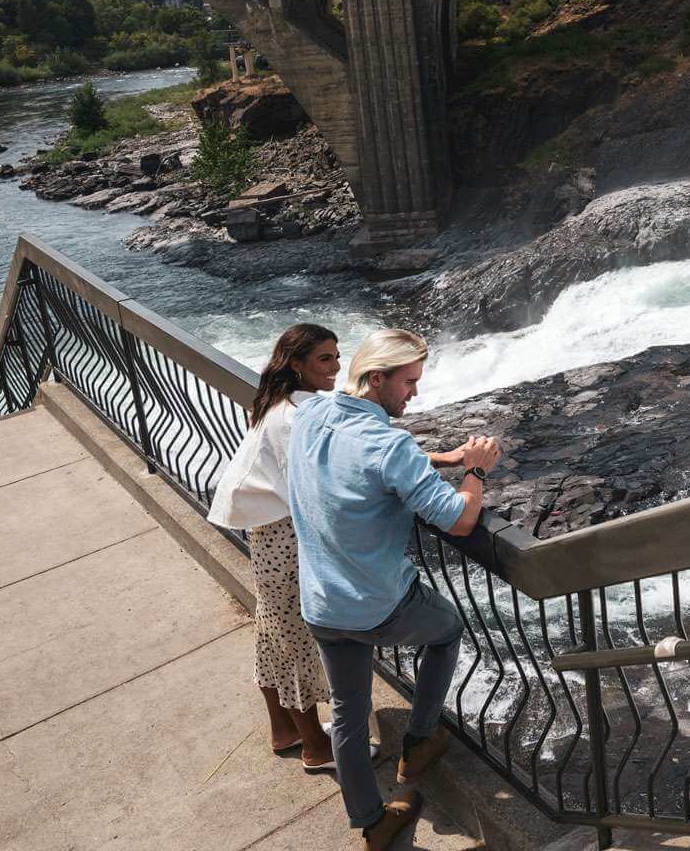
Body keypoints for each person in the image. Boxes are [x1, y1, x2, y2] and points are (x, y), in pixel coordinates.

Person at [286, 329, 502, 850]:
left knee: (347, 713)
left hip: (320, 601)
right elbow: (458, 520)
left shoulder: (311, 414)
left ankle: (371, 822)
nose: (415, 394)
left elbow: (364, 459)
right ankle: (421, 739)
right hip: (376, 606)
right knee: (447, 630)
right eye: (409, 383)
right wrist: (474, 468)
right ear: (378, 379)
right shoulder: (390, 443)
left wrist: (437, 459)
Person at [207, 323, 341, 771]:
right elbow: (311, 484)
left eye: (337, 356)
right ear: (296, 364)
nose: (336, 366)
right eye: (325, 358)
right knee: (297, 641)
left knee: (272, 632)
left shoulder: (279, 404)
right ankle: (316, 748)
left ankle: (283, 730)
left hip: (267, 534)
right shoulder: (298, 416)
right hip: (286, 535)